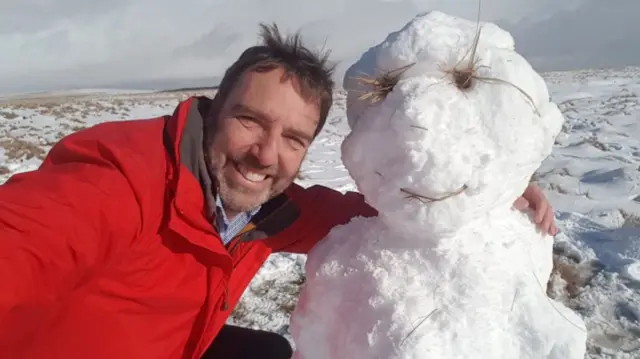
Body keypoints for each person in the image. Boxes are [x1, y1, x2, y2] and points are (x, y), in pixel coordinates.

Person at [0, 23, 558, 359]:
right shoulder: (120, 181)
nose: (265, 155)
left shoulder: (263, 209)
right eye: (250, 121)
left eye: (292, 138)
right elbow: (27, 237)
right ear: (215, 109)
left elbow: (367, 209)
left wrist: (486, 186)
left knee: (272, 354)